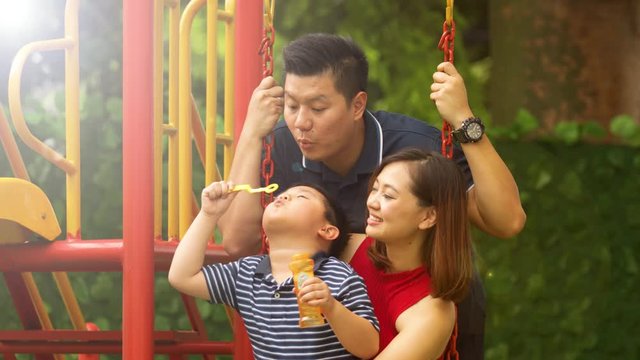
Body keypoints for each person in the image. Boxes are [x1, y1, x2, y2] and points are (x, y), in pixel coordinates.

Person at [220, 33, 527, 359]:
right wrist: (252, 134)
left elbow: (507, 221)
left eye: (318, 108)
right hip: (338, 331)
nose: (300, 123)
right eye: (292, 106)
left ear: (357, 105)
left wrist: (464, 120)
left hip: (418, 324)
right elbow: (237, 242)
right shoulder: (281, 143)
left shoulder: (416, 151)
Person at [168, 181, 380, 359]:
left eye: (301, 197)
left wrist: (332, 307)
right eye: (283, 194)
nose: (284, 197)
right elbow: (182, 277)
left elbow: (369, 347)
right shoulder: (246, 274)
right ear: (266, 236)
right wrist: (208, 214)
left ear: (327, 230)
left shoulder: (338, 276)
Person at [344, 148, 474, 359]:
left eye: (388, 195)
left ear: (428, 217)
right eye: (374, 189)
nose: (372, 202)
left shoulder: (432, 312)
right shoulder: (350, 249)